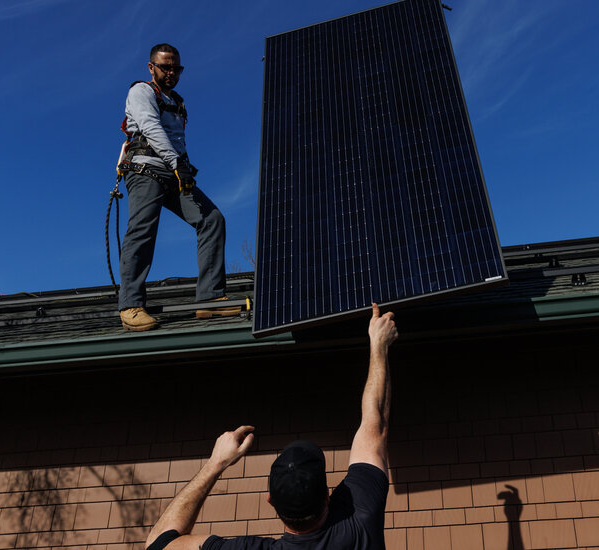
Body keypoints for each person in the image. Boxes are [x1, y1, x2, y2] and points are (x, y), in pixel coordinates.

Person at [144, 304, 399, 550]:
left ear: (270, 501)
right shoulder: (361, 518)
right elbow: (375, 423)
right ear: (327, 496)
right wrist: (378, 345)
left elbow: (159, 544)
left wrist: (215, 464)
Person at [118, 43, 239, 331]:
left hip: (173, 173)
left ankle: (210, 299)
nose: (171, 72)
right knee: (142, 230)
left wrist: (182, 166)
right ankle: (130, 305)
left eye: (176, 68)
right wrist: (176, 162)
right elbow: (149, 127)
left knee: (212, 219)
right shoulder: (141, 92)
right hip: (145, 170)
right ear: (152, 68)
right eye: (165, 67)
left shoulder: (177, 102)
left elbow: (175, 140)